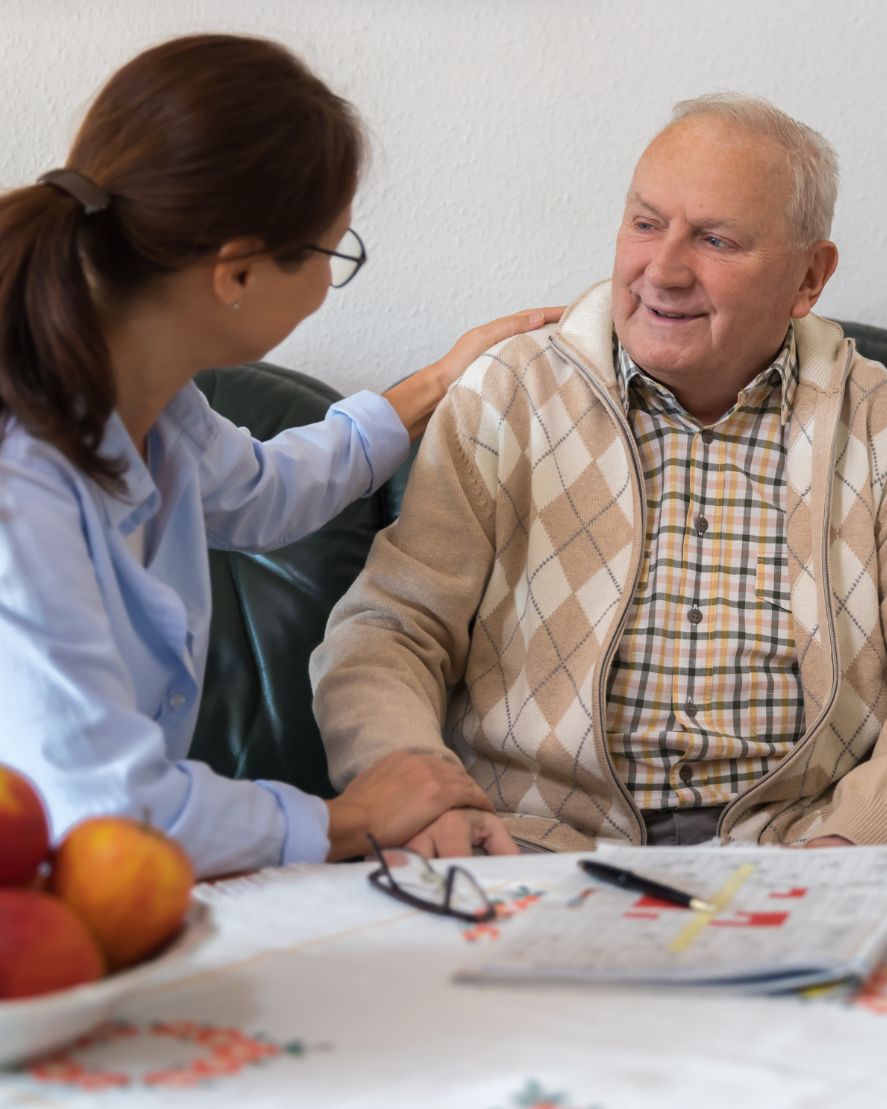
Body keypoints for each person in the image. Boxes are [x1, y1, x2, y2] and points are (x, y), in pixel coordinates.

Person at [0, 33, 561, 879]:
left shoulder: (154, 398)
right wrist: (349, 816)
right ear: (237, 274)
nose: (329, 279)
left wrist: (442, 378)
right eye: (334, 252)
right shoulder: (22, 488)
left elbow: (265, 492)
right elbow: (108, 806)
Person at [312, 92, 887, 857]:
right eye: (645, 224)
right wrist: (416, 787)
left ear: (808, 278)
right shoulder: (508, 393)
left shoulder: (875, 422)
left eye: (715, 240)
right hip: (527, 844)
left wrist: (852, 839)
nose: (663, 270)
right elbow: (389, 630)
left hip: (804, 851)